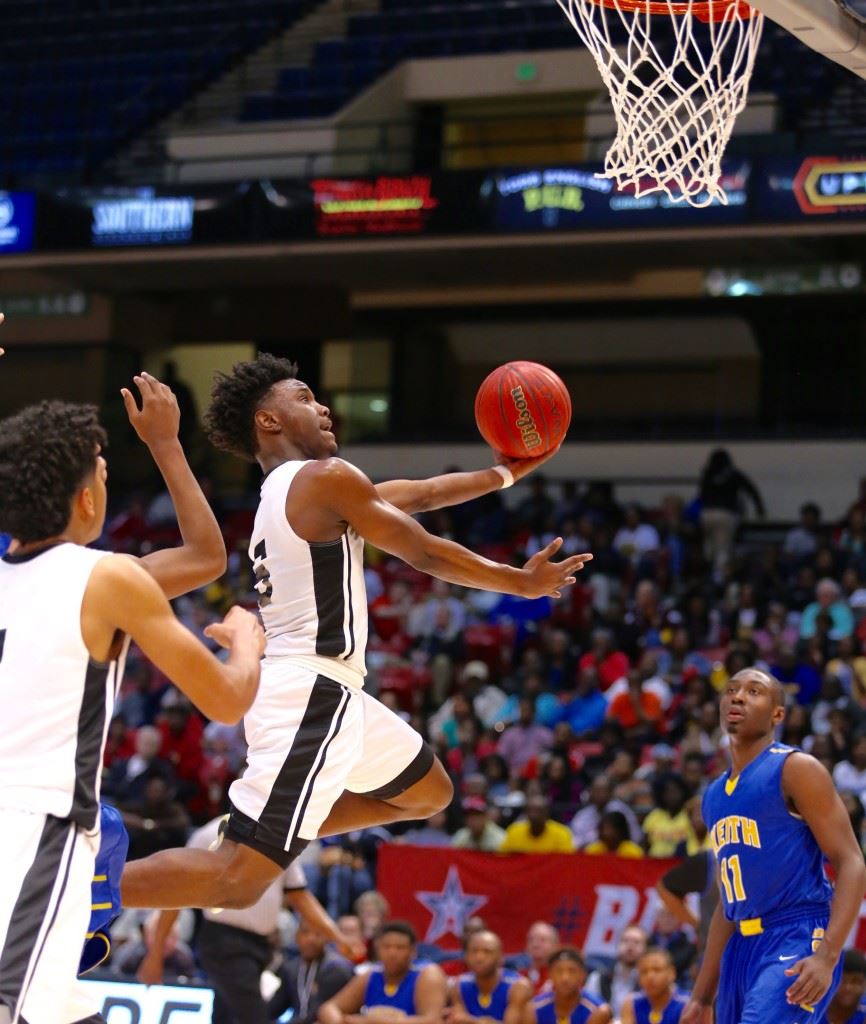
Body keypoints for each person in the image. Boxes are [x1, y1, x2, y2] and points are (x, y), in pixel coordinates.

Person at [121, 354, 590, 915]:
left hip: (330, 693)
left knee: (428, 792)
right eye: (303, 397)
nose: (322, 406)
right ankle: (81, 891)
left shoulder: (288, 492)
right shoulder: (323, 481)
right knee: (236, 880)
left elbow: (419, 493)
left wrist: (507, 472)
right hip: (310, 693)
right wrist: (518, 582)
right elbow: (422, 548)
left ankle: (280, 824)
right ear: (268, 421)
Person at [0, 380, 264, 1024]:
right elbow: (227, 701)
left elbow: (202, 556)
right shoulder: (108, 578)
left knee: (61, 1011)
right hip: (37, 828)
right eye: (104, 473)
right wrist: (246, 644)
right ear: (88, 498)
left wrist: (168, 446)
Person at [682, 668, 866, 1024]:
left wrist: (827, 954)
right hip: (741, 947)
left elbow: (851, 861)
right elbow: (727, 902)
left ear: (777, 714)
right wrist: (702, 995)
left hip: (795, 935)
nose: (737, 697)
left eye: (754, 692)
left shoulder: (796, 768)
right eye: (731, 690)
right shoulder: (715, 796)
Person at [137, 815, 358, 1024]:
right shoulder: (209, 834)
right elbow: (176, 896)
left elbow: (300, 896)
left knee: (225, 1015)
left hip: (262, 945)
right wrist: (155, 954)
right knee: (254, 1018)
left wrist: (337, 938)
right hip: (223, 942)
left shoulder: (281, 835)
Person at [318, 920, 448, 1024]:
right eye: (386, 947)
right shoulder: (371, 975)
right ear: (377, 950)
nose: (392, 953)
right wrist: (339, 1021)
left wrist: (372, 1021)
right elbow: (328, 1008)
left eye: (400, 948)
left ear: (413, 952)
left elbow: (433, 1021)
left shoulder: (427, 974)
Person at [268, 918, 356, 1024]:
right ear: (296, 937)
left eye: (318, 934)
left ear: (327, 937)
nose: (311, 939)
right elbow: (274, 1007)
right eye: (305, 932)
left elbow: (317, 1013)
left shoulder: (337, 969)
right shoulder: (292, 968)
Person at [697, 448, 764, 578]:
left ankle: (708, 571)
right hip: (725, 514)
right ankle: (718, 579)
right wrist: (760, 509)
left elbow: (700, 495)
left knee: (710, 546)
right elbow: (751, 489)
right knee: (723, 549)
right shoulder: (734, 474)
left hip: (707, 514)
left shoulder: (707, 474)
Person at [449, 930, 532, 1024]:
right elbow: (459, 1020)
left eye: (487, 952)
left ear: (501, 958)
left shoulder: (518, 987)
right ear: (466, 956)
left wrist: (473, 1021)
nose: (479, 957)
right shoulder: (459, 985)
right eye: (474, 951)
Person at [522, 949, 609, 1024]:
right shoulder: (533, 1008)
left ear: (582, 975)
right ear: (550, 975)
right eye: (559, 971)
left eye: (572, 971)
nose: (565, 978)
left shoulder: (597, 1011)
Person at [584, 925, 647, 1018]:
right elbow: (588, 1011)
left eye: (636, 942)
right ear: (617, 945)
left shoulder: (648, 982)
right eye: (625, 941)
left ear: (645, 948)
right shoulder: (597, 977)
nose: (630, 946)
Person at [620, 947, 688, 1024]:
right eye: (644, 972)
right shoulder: (631, 1003)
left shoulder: (687, 1004)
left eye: (657, 970)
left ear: (672, 973)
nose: (650, 977)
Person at [499, 796, 575, 854]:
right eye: (530, 811)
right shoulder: (514, 831)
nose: (533, 815)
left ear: (546, 813)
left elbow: (567, 863)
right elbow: (503, 859)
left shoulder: (562, 833)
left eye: (538, 811)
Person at [818, 949, 866, 1024]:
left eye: (856, 981)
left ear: (864, 984)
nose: (848, 988)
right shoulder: (814, 1005)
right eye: (841, 980)